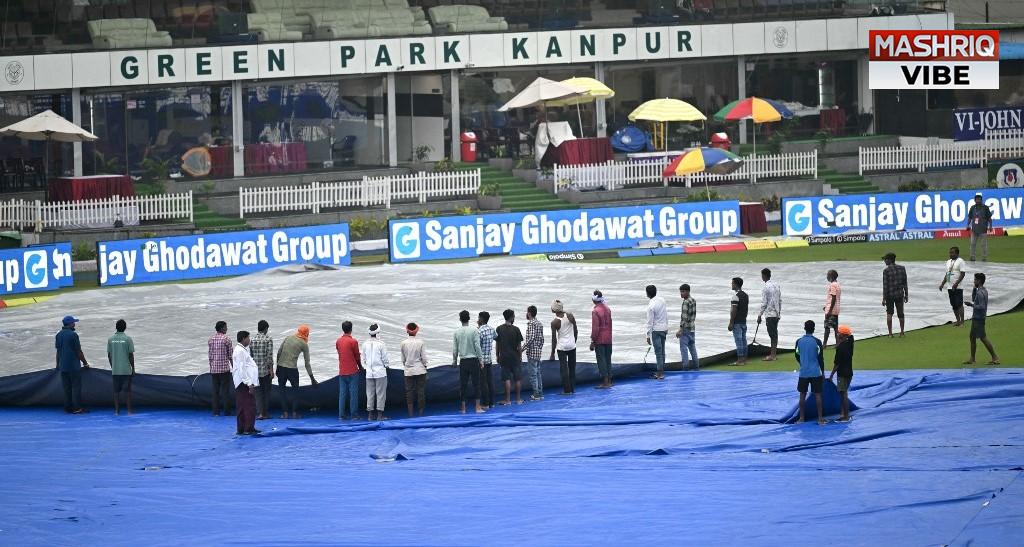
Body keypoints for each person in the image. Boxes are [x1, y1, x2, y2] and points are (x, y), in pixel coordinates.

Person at [277, 325, 318, 419]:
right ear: (306, 334)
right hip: (292, 369)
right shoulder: (304, 344)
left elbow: (279, 352)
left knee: (282, 391)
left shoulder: (288, 338)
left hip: (281, 367)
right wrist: (312, 378)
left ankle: (285, 413)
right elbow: (307, 363)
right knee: (296, 391)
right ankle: (295, 413)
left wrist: (277, 367)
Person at [963, 273, 1000, 365]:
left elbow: (981, 306)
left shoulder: (980, 293)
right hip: (979, 317)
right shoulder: (983, 290)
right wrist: (973, 289)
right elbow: (974, 299)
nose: (974, 281)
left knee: (983, 338)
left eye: (975, 280)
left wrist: (971, 305)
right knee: (972, 337)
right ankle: (972, 358)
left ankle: (994, 357)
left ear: (979, 281)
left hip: (978, 318)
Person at [56, 315, 90, 414]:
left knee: (66, 388)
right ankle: (78, 408)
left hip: (63, 366)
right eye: (73, 322)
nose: (75, 324)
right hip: (73, 366)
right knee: (76, 387)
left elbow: (58, 352)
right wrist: (85, 363)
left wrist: (57, 365)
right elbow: (78, 351)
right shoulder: (73, 335)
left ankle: (68, 407)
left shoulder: (58, 335)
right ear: (70, 324)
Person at [794, 320, 826, 426]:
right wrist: (823, 372)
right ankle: (820, 418)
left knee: (802, 395)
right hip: (816, 372)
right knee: (818, 395)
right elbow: (820, 359)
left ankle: (802, 418)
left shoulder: (799, 341)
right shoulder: (817, 342)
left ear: (804, 328)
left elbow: (797, 355)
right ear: (814, 329)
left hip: (804, 372)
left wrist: (802, 364)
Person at [453, 310, 485, 414]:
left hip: (463, 361)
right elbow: (477, 346)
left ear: (460, 319)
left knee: (463, 385)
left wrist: (454, 361)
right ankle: (477, 407)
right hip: (473, 360)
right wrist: (481, 360)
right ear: (469, 318)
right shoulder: (474, 330)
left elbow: (455, 349)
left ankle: (463, 408)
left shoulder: (456, 332)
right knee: (476, 384)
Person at [231, 330, 260, 435]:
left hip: (242, 382)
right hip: (243, 383)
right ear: (243, 338)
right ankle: (248, 428)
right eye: (248, 337)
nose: (249, 339)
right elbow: (242, 368)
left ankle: (243, 428)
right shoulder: (240, 351)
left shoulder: (241, 350)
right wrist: (249, 383)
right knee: (249, 406)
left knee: (243, 406)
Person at [495, 309, 525, 405]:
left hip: (504, 356)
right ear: (511, 317)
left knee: (506, 378)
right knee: (517, 378)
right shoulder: (516, 329)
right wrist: (520, 356)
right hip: (514, 357)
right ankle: (518, 399)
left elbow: (497, 344)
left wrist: (497, 355)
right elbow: (519, 346)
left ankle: (507, 400)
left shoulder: (499, 329)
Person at [106, 319, 135, 416]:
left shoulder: (110, 339)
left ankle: (117, 411)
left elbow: (109, 355)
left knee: (116, 391)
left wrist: (112, 366)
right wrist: (133, 368)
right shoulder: (128, 339)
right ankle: (129, 411)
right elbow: (130, 355)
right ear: (125, 328)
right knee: (127, 391)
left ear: (116, 327)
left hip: (115, 370)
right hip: (126, 369)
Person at [549, 300, 579, 394]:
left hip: (562, 347)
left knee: (564, 369)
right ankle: (572, 389)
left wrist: (552, 353)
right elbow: (576, 330)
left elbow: (554, 340)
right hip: (572, 345)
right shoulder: (570, 315)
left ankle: (567, 390)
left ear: (554, 310)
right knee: (572, 368)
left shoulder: (554, 322)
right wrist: (574, 341)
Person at [400, 323, 428, 418]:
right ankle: (421, 414)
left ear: (407, 331)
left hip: (408, 371)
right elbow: (424, 358)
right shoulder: (421, 342)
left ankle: (411, 414)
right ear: (416, 331)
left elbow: (403, 359)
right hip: (420, 370)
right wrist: (424, 365)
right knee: (421, 391)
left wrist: (407, 365)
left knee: (409, 392)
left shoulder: (403, 343)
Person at [362, 324, 390, 421]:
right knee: (380, 394)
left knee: (370, 394)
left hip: (369, 373)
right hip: (380, 373)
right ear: (378, 333)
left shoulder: (365, 344)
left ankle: (370, 415)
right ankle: (379, 415)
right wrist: (387, 366)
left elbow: (364, 359)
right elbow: (385, 359)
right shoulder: (381, 344)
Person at [336, 321, 363, 420]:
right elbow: (357, 357)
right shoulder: (353, 342)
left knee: (342, 394)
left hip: (342, 371)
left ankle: (341, 415)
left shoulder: (338, 341)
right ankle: (354, 415)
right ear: (351, 329)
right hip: (352, 371)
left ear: (343, 329)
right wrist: (360, 367)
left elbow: (340, 353)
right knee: (353, 394)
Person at [829, 325, 854, 423]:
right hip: (849, 373)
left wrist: (831, 375)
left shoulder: (841, 348)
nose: (837, 333)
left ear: (842, 335)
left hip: (842, 374)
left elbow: (837, 364)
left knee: (843, 395)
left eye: (839, 332)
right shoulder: (850, 344)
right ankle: (843, 414)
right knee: (844, 393)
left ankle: (845, 417)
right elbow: (851, 337)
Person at [207, 321, 233, 416]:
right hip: (224, 369)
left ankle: (215, 412)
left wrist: (211, 367)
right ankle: (227, 411)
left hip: (214, 369)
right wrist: (234, 367)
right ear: (222, 328)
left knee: (215, 391)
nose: (227, 329)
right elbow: (230, 356)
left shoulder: (211, 339)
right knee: (225, 391)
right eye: (226, 327)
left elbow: (210, 355)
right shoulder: (226, 339)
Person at [250, 320, 274, 420]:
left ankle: (259, 413)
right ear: (265, 329)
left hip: (255, 371)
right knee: (267, 392)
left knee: (258, 393)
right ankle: (265, 413)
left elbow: (251, 356)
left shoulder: (252, 339)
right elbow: (269, 356)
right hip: (265, 371)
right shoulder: (268, 339)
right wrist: (271, 370)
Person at [757, 268, 782, 361]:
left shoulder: (765, 287)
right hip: (776, 314)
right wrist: (779, 312)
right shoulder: (776, 285)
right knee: (774, 334)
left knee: (772, 334)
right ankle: (773, 353)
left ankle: (773, 355)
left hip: (770, 314)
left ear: (764, 276)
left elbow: (764, 303)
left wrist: (759, 315)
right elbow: (779, 300)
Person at [881, 252, 909, 338]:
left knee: (889, 313)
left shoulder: (886, 271)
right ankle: (902, 332)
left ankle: (890, 333)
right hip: (900, 295)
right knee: (901, 313)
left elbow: (885, 286)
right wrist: (906, 295)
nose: (884, 261)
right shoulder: (902, 268)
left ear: (889, 260)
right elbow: (905, 283)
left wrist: (884, 298)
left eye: (885, 259)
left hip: (890, 295)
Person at [590, 290, 613, 388]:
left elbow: (595, 328)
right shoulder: (607, 309)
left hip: (600, 339)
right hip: (608, 338)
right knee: (608, 359)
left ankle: (605, 382)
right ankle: (610, 380)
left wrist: (592, 341)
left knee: (601, 360)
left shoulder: (595, 311)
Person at [645, 285, 669, 379]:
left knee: (658, 353)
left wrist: (647, 335)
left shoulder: (651, 306)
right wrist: (666, 326)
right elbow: (665, 314)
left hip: (656, 331)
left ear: (647, 294)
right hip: (663, 329)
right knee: (662, 351)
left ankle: (660, 373)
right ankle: (662, 370)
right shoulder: (662, 300)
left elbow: (649, 322)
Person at [938, 246, 967, 327]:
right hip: (950, 287)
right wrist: (942, 284)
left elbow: (963, 273)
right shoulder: (948, 262)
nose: (950, 254)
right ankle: (957, 321)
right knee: (953, 304)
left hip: (958, 287)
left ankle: (962, 322)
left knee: (959, 304)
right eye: (950, 252)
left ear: (957, 253)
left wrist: (956, 283)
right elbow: (947, 274)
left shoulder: (960, 261)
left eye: (952, 252)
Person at [523, 305, 546, 400]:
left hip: (532, 352)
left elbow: (531, 338)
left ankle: (536, 394)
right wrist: (539, 348)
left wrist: (522, 348)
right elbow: (542, 339)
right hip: (538, 352)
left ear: (529, 313)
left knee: (533, 374)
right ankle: (540, 393)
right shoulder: (539, 323)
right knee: (538, 373)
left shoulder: (531, 324)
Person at [477, 311, 497, 409]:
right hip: (489, 358)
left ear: (481, 319)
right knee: (490, 381)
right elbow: (496, 337)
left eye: (478, 318)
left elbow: (477, 346)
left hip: (481, 360)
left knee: (483, 382)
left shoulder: (479, 331)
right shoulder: (491, 329)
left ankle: (485, 403)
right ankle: (492, 403)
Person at [676, 284, 699, 371]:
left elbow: (684, 317)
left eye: (683, 291)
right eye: (680, 292)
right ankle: (696, 367)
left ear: (688, 291)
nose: (681, 294)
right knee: (692, 347)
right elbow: (693, 315)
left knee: (683, 348)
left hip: (686, 329)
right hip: (692, 327)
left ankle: (685, 368)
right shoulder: (693, 300)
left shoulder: (685, 302)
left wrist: (680, 330)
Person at [727, 278, 749, 366]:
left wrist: (731, 322)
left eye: (732, 283)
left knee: (738, 340)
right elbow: (745, 309)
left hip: (737, 322)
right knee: (744, 340)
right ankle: (744, 359)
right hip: (744, 321)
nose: (731, 284)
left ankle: (740, 360)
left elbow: (734, 310)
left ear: (736, 284)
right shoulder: (745, 295)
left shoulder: (735, 296)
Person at [967, 193, 993, 262]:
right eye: (977, 199)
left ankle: (984, 258)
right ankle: (972, 257)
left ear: (981, 200)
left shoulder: (985, 208)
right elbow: (969, 217)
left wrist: (990, 226)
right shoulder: (972, 208)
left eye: (979, 199)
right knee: (972, 244)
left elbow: (989, 218)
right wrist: (967, 225)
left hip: (983, 229)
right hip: (974, 229)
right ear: (974, 200)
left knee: (983, 245)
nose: (978, 200)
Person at [821, 270, 842, 353]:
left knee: (827, 327)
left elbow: (833, 298)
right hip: (836, 309)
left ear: (831, 276)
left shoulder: (832, 285)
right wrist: (826, 306)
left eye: (827, 275)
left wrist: (829, 310)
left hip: (831, 310)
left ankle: (824, 344)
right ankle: (838, 343)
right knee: (835, 327)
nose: (826, 276)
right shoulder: (838, 285)